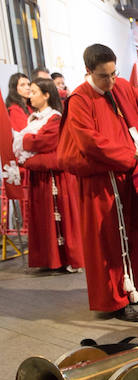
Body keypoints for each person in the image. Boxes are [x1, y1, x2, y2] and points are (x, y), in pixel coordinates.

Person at [58, 43, 138, 322]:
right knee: (109, 241)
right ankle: (115, 300)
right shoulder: (79, 99)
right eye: (104, 76)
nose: (111, 81)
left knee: (136, 234)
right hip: (101, 181)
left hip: (128, 175)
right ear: (88, 71)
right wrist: (130, 152)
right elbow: (90, 142)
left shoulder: (122, 86)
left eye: (114, 73)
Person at [13, 78, 83, 271]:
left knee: (62, 217)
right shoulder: (34, 119)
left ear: (46, 95)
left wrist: (27, 152)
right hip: (40, 177)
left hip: (56, 178)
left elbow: (41, 143)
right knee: (43, 219)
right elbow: (34, 142)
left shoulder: (55, 119)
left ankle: (68, 258)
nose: (30, 95)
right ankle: (48, 259)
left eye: (34, 92)